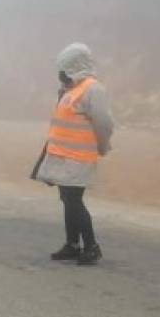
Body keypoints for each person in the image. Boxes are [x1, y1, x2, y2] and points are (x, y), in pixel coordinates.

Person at [34, 43, 114, 266]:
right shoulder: (71, 90)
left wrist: (103, 146)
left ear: (74, 66)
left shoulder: (93, 89)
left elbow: (104, 123)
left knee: (74, 201)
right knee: (67, 199)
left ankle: (91, 246)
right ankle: (72, 245)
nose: (61, 73)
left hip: (78, 157)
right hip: (62, 155)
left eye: (64, 68)